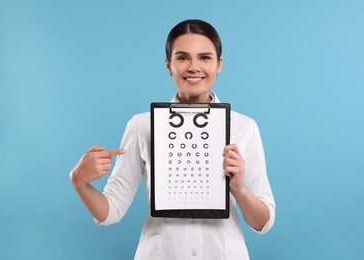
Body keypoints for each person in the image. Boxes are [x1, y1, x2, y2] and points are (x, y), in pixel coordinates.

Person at [70, 19, 275, 260]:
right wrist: (80, 182)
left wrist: (239, 189)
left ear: (219, 64)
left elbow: (263, 223)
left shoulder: (244, 128)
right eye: (182, 57)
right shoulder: (142, 126)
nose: (194, 67)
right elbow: (111, 211)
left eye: (205, 58)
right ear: (168, 65)